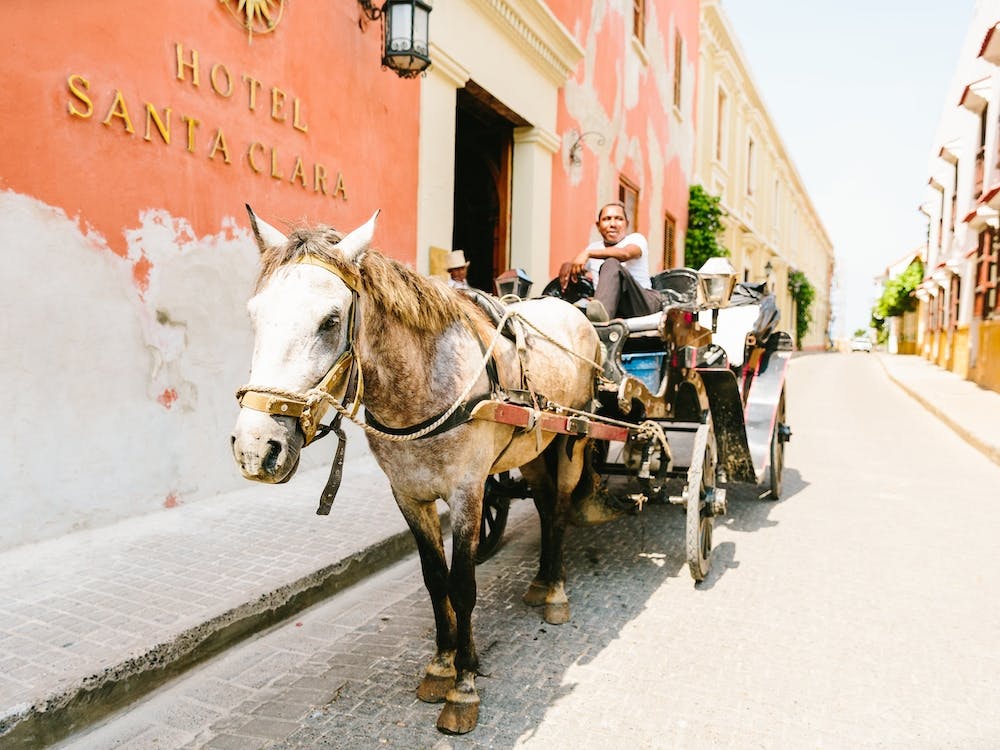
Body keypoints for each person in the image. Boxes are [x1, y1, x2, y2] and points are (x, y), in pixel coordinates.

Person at [564, 202, 662, 320]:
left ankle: (599, 318)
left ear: (627, 223)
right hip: (614, 307)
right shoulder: (594, 247)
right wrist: (568, 266)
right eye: (606, 219)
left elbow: (625, 254)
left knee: (611, 263)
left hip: (642, 303)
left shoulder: (636, 239)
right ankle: (599, 310)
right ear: (598, 225)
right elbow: (577, 266)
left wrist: (587, 253)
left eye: (619, 219)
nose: (613, 224)